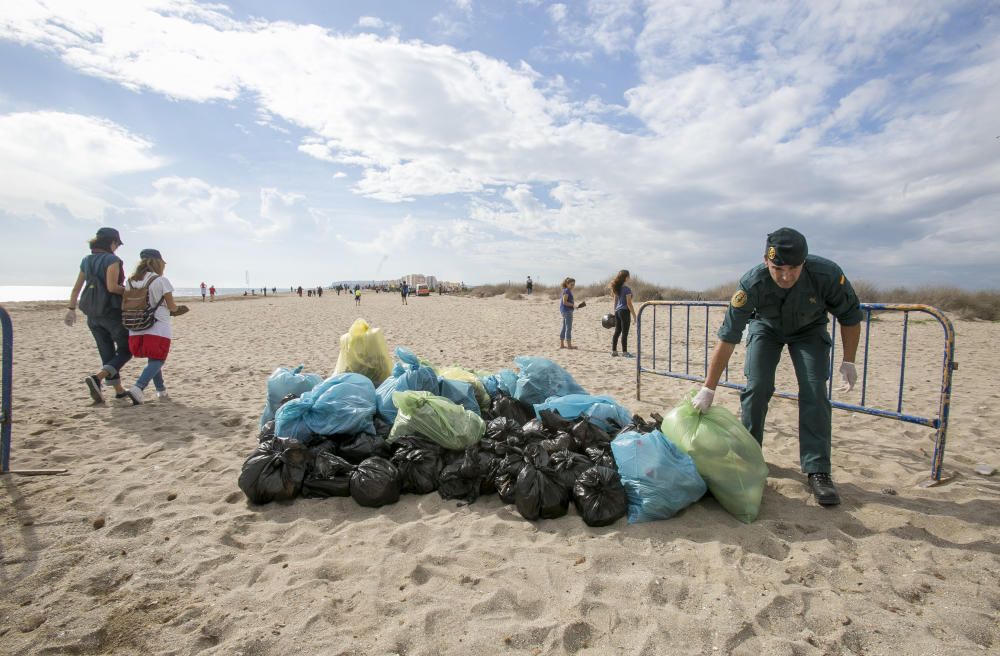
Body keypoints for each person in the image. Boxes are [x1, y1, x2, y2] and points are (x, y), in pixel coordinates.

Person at [691, 228, 862, 506]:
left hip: (810, 331)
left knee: (814, 389)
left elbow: (851, 316)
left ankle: (818, 469)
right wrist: (708, 388)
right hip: (766, 328)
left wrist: (849, 360)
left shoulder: (827, 275)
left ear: (804, 262)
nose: (785, 275)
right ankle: (749, 457)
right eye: (777, 268)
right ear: (765, 261)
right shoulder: (752, 283)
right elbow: (728, 336)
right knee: (757, 387)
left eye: (793, 268)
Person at [65, 227, 131, 403]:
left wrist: (71, 309)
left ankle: (118, 390)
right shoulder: (112, 259)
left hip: (92, 314)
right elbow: (112, 287)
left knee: (107, 353)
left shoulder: (86, 260)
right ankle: (97, 378)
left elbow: (76, 288)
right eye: (117, 244)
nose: (117, 247)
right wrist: (132, 293)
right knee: (126, 349)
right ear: (112, 242)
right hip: (111, 312)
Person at [121, 249, 187, 405]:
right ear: (157, 262)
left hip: (135, 324)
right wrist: (178, 310)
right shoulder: (160, 280)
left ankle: (161, 390)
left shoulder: (130, 281)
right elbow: (171, 307)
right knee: (159, 358)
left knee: (153, 358)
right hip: (157, 325)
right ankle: (138, 387)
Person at [609, 269, 636, 357]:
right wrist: (634, 315)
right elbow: (629, 303)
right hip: (624, 312)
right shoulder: (627, 289)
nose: (630, 278)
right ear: (626, 278)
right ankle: (624, 352)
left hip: (618, 311)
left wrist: (615, 311)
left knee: (617, 331)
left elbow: (615, 301)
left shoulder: (617, 288)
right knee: (625, 332)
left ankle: (614, 351)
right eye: (629, 276)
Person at [559, 277, 578, 349]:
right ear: (567, 284)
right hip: (567, 311)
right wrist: (573, 305)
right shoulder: (567, 291)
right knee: (568, 328)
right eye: (571, 284)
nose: (573, 286)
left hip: (565, 311)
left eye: (574, 284)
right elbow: (565, 302)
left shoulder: (566, 290)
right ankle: (569, 345)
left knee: (564, 327)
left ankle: (562, 345)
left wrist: (574, 306)